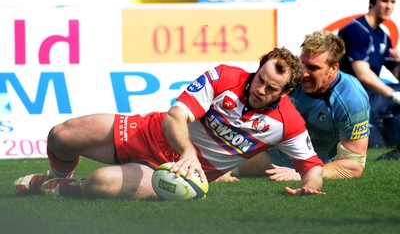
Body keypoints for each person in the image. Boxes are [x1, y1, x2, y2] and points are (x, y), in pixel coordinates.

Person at [13, 47, 326, 199]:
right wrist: (188, 151)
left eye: (271, 88)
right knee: (61, 135)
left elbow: (312, 165)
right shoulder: (225, 76)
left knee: (101, 183)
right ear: (257, 69)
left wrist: (309, 186)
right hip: (150, 132)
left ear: (286, 91)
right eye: (260, 79)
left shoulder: (288, 122)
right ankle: (52, 176)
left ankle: (70, 187)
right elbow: (176, 116)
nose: (260, 90)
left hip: (176, 173)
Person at [216, 30, 370, 182]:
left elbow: (354, 166)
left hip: (312, 164)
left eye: (313, 68)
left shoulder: (352, 100)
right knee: (213, 165)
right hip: (268, 155)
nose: (303, 74)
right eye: (302, 63)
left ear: (333, 68)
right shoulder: (289, 78)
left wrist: (308, 173)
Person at [338, 0, 400, 161]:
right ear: (372, 1)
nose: (389, 6)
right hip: (352, 100)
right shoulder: (356, 30)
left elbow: (396, 71)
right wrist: (394, 95)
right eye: (384, 1)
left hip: (372, 97)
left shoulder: (382, 35)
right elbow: (363, 75)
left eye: (392, 2)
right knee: (375, 145)